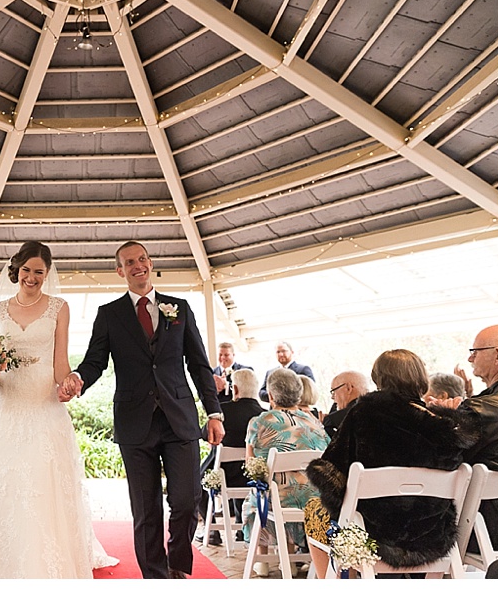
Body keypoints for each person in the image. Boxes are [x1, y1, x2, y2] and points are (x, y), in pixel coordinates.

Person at [67, 240, 224, 579]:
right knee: (145, 509)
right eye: (129, 262)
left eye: (142, 259)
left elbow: (199, 365)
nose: (137, 265)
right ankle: (155, 577)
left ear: (150, 263)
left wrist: (214, 412)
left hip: (180, 419)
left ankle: (177, 562)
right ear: (119, 270)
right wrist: (78, 379)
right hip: (134, 423)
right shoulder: (109, 314)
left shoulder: (179, 308)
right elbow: (95, 361)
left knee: (187, 500)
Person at [0, 241, 117, 579]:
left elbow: (60, 363)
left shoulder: (58, 307)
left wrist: (69, 383)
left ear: (47, 274)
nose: (31, 277)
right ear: (16, 269)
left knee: (41, 491)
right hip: (7, 411)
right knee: (6, 490)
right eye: (26, 270)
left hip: (44, 409)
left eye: (39, 272)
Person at [304, 349, 479, 577]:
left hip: (372, 534)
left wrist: (343, 505)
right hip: (431, 536)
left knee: (314, 510)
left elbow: (330, 472)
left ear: (379, 379)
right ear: (420, 378)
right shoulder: (441, 425)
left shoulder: (363, 412)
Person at [242, 368, 329, 577]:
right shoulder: (314, 423)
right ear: (299, 394)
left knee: (259, 494)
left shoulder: (259, 422)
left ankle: (263, 560)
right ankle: (289, 558)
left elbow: (250, 463)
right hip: (314, 500)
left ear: (271, 396)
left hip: (277, 500)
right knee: (291, 487)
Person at [426, 324, 498, 553]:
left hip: (484, 526)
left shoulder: (478, 411)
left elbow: (438, 460)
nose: (470, 358)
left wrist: (443, 419)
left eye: (475, 352)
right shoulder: (480, 405)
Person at [196, 368, 264, 545]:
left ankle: (211, 529)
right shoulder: (265, 415)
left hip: (223, 476)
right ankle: (242, 530)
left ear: (235, 389)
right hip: (254, 478)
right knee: (243, 471)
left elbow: (204, 434)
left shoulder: (223, 412)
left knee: (194, 482)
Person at [321, 370, 369, 439]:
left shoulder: (335, 421)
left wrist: (320, 428)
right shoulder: (381, 410)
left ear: (348, 388)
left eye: (334, 391)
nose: (332, 397)